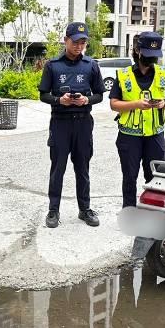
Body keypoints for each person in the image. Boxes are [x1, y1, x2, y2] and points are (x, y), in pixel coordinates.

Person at [38, 22, 106, 228]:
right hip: (60, 124)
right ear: (66, 40)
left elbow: (99, 95)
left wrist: (87, 100)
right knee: (57, 168)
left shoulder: (91, 65)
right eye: (75, 42)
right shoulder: (53, 65)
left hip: (83, 123)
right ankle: (53, 210)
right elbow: (43, 95)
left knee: (83, 168)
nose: (79, 46)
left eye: (83, 42)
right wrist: (60, 100)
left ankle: (84, 209)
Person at [109, 32, 165, 208]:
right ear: (137, 51)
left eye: (155, 56)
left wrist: (164, 103)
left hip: (155, 135)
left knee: (157, 177)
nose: (152, 59)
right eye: (148, 55)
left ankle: (153, 211)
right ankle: (129, 211)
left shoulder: (163, 73)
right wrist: (136, 104)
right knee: (130, 176)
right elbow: (114, 104)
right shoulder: (124, 75)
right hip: (129, 136)